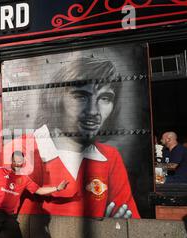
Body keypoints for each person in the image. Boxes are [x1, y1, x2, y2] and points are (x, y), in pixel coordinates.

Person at [9, 57, 140, 218]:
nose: (93, 111)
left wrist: (113, 229)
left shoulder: (110, 157)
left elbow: (128, 222)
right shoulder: (24, 148)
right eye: (80, 96)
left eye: (105, 98)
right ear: (55, 98)